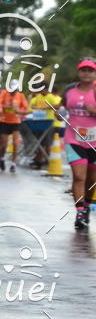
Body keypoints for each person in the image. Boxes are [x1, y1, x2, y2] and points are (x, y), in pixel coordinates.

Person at [61, 58, 96, 229]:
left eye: (90, 70)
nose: (86, 73)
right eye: (83, 70)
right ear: (78, 72)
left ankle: (87, 205)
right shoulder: (69, 90)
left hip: (94, 142)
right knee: (79, 176)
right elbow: (62, 107)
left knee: (92, 179)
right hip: (73, 139)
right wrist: (59, 113)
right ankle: (80, 212)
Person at [0, 81, 28, 172]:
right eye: (11, 90)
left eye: (15, 90)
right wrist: (6, 106)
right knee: (4, 144)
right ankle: (2, 158)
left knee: (15, 143)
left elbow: (26, 107)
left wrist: (18, 110)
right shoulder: (4, 93)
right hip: (5, 121)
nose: (13, 92)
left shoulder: (21, 95)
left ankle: (13, 164)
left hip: (16, 122)